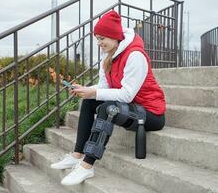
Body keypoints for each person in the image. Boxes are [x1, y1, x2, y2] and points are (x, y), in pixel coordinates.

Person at [50, 10, 166, 186]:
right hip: (130, 108)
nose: (99, 43)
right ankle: (77, 155)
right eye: (97, 38)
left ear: (114, 37)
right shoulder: (108, 56)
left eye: (102, 38)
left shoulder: (135, 55)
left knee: (108, 108)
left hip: (150, 114)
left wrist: (94, 92)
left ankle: (87, 166)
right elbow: (104, 87)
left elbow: (126, 95)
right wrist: (87, 90)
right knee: (89, 101)